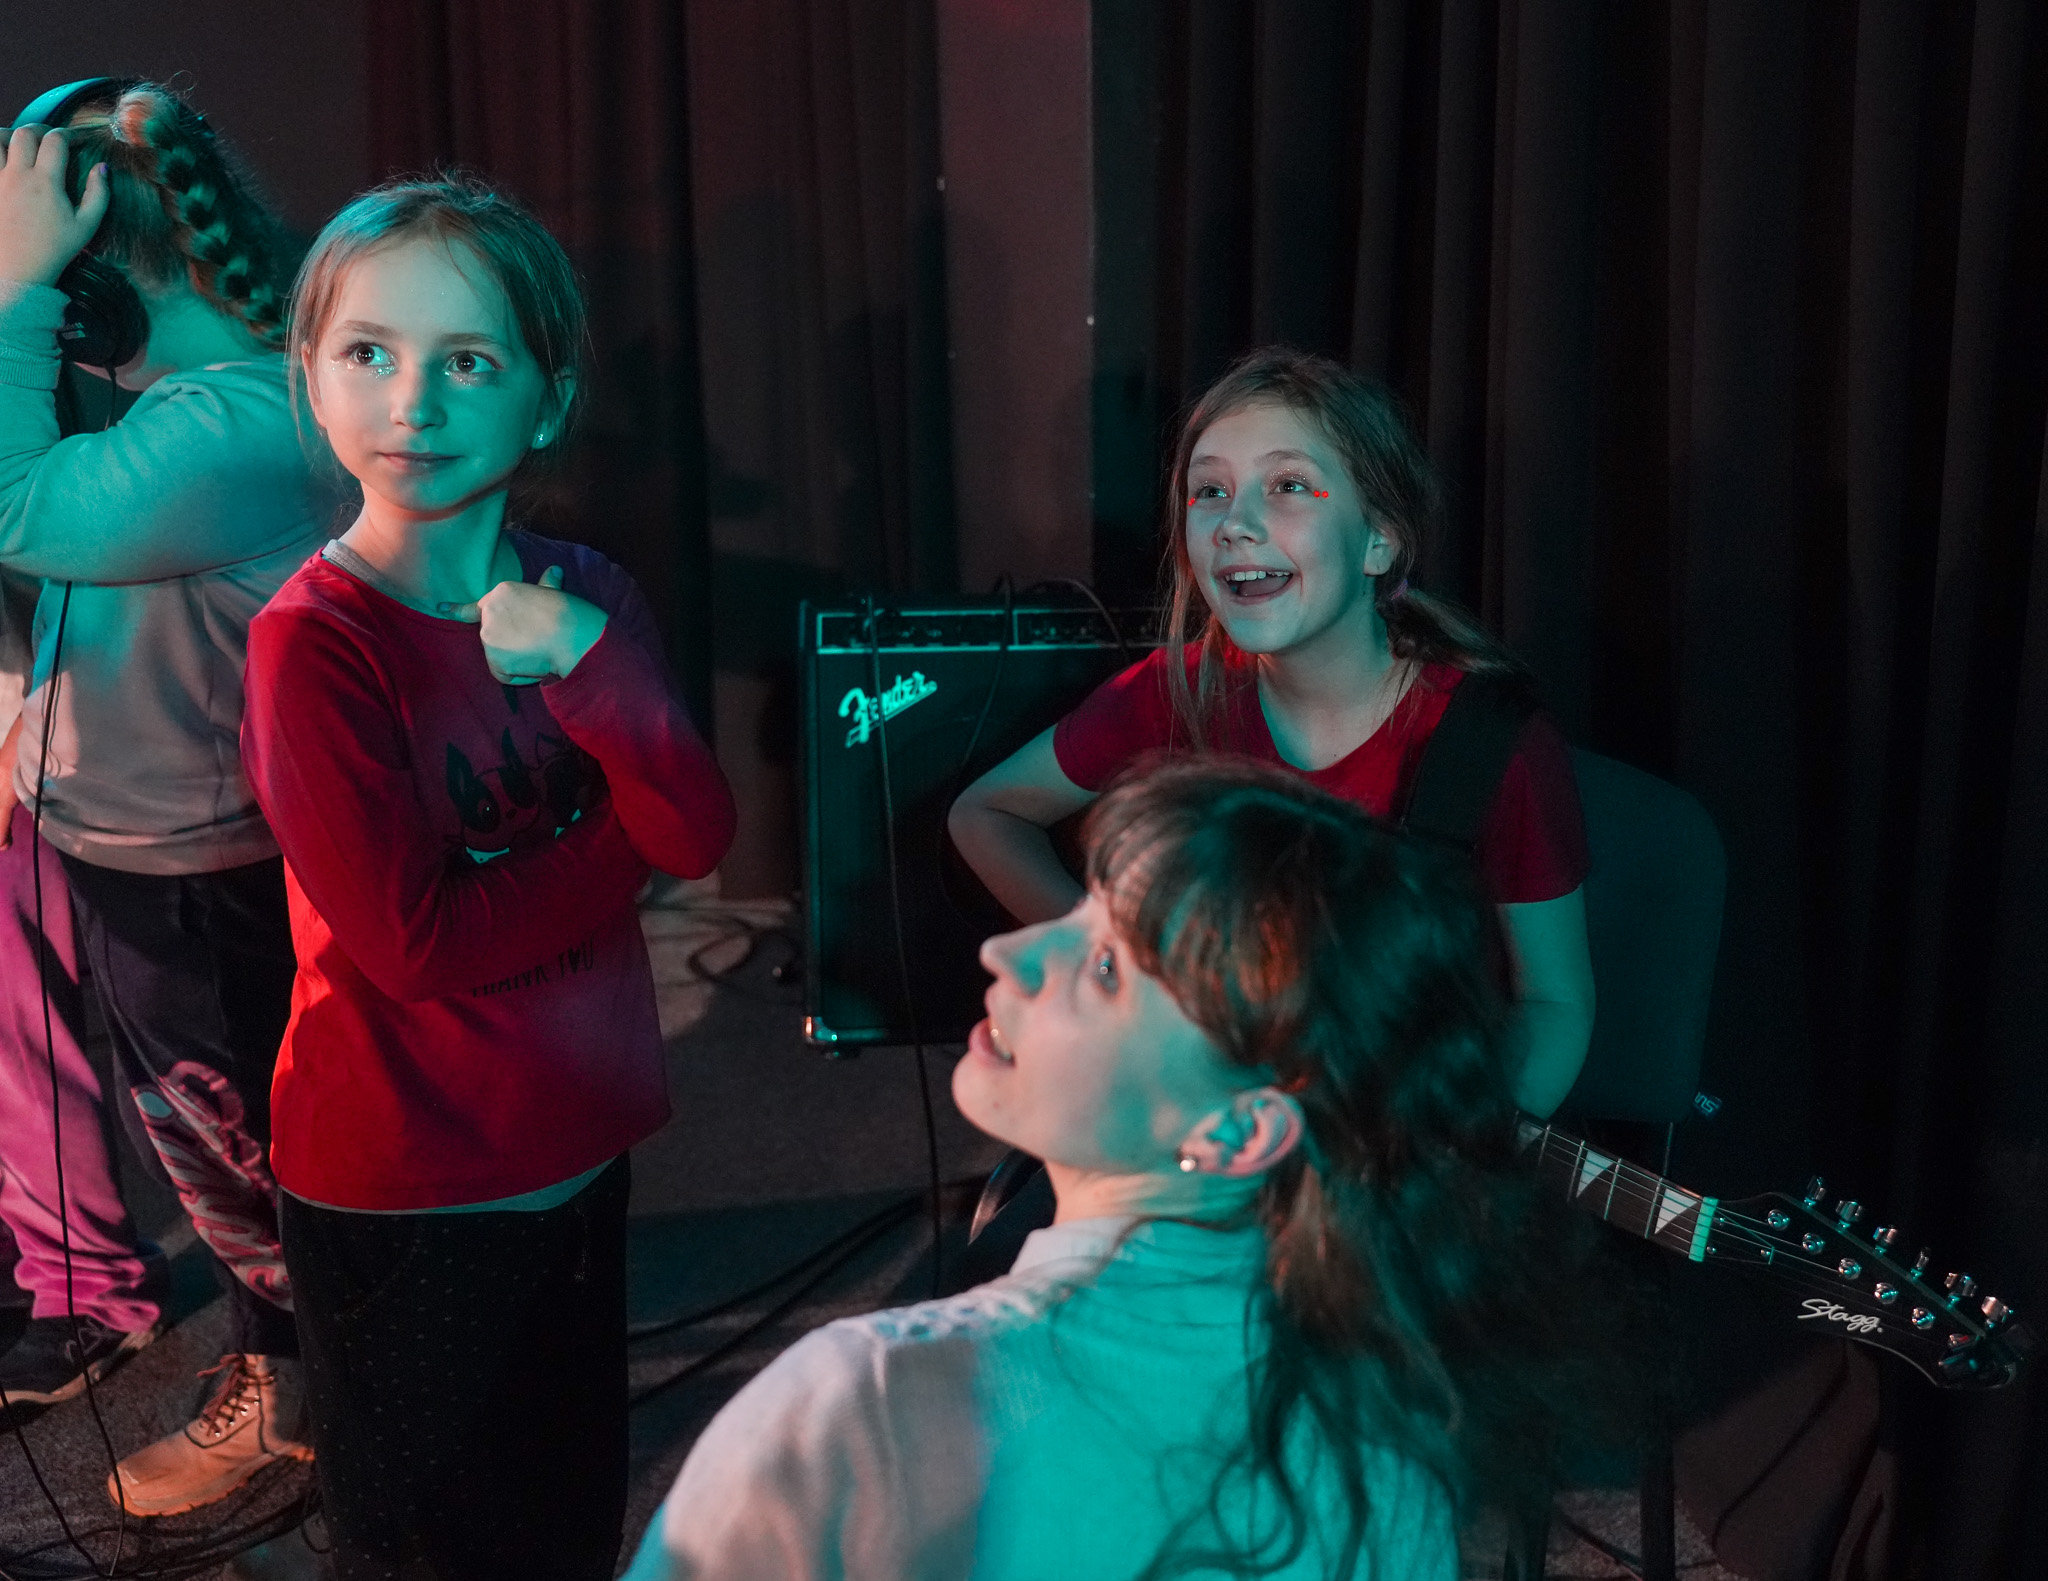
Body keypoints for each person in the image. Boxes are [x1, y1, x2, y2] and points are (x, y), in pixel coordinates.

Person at [628, 758, 1611, 1579]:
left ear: (1238, 1132)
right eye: (1081, 912)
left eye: (1105, 967)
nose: (1010, 951)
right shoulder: (1389, 1456)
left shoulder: (862, 1403)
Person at [241, 175, 736, 1580]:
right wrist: (619, 834)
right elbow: (417, 946)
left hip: (573, 1153)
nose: (412, 402)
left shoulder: (590, 600)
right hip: (404, 1184)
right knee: (425, 1550)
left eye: (466, 362)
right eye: (368, 353)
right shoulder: (313, 643)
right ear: (313, 376)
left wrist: (588, 667)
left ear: (546, 399)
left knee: (563, 1523)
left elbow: (699, 833)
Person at [950, 347, 1595, 1119]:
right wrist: (1123, 965)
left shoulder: (1491, 744)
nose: (1235, 524)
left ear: (1379, 539)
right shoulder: (1178, 689)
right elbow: (985, 813)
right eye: (1210, 492)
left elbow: (1556, 1004)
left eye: (1288, 486)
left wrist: (1460, 1153)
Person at [0, 81, 340, 1510]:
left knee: (231, 1141)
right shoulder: (203, 408)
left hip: (200, 871)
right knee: (216, 1134)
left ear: (92, 286)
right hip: (146, 845)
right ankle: (301, 1367)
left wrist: (11, 299)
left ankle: (302, 1386)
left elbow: (15, 510)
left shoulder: (235, 425)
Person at [0, 562, 162, 1405]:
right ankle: (32, 1264)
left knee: (20, 1051)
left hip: (17, 760)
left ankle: (91, 1290)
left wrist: (10, 759)